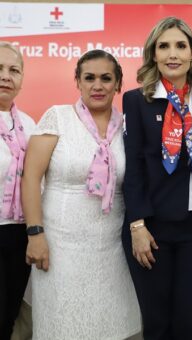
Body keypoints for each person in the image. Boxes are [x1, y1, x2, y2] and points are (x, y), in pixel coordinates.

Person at [21, 49, 140, 339]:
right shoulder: (57, 117)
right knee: (61, 324)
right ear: (77, 81)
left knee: (109, 324)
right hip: (59, 248)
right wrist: (35, 234)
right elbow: (31, 177)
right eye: (89, 78)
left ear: (118, 84)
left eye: (105, 78)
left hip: (112, 250)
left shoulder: (127, 126)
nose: (97, 86)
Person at [122, 17, 192, 340]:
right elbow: (134, 165)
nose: (172, 53)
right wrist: (137, 225)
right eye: (163, 46)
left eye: (181, 46)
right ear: (153, 54)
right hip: (153, 230)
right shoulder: (136, 101)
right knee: (158, 325)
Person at [0, 41, 35, 340]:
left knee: (9, 317)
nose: (6, 76)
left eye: (13, 70)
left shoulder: (29, 124)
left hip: (19, 234)